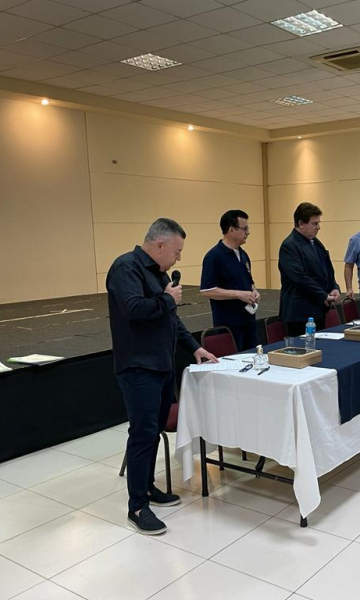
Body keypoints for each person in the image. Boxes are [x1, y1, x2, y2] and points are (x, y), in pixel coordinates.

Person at [106, 218, 217, 535]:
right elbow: (133, 308)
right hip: (139, 367)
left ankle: (147, 487)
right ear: (160, 244)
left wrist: (194, 347)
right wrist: (167, 299)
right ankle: (137, 507)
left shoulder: (160, 274)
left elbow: (171, 320)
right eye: (177, 251)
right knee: (142, 434)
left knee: (153, 432)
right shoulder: (125, 268)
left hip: (162, 365)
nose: (178, 258)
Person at [200, 210, 260, 351]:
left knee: (252, 355)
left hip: (248, 319)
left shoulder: (243, 254)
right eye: (245, 229)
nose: (248, 232)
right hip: (229, 323)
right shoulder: (214, 256)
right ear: (231, 230)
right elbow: (207, 290)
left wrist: (254, 291)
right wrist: (238, 294)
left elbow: (249, 280)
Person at [278, 202, 339, 336]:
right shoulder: (290, 245)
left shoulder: (315, 242)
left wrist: (334, 287)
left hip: (317, 308)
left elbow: (326, 270)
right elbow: (299, 278)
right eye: (314, 223)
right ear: (301, 223)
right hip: (300, 312)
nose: (318, 227)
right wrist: (323, 296)